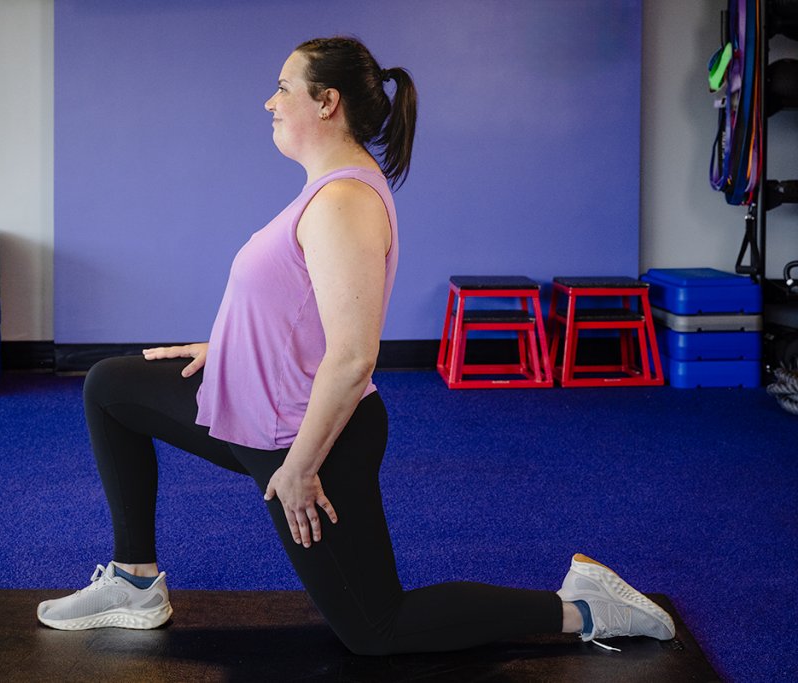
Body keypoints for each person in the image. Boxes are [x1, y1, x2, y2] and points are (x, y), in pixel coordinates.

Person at [37, 36, 675, 655]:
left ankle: (586, 607)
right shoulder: (326, 190)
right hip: (253, 412)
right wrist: (229, 346)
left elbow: (352, 355)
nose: (270, 101)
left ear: (326, 102)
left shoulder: (344, 201)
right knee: (111, 386)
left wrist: (300, 470)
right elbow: (295, 301)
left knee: (377, 629)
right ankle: (135, 580)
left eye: (283, 86)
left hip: (307, 438)